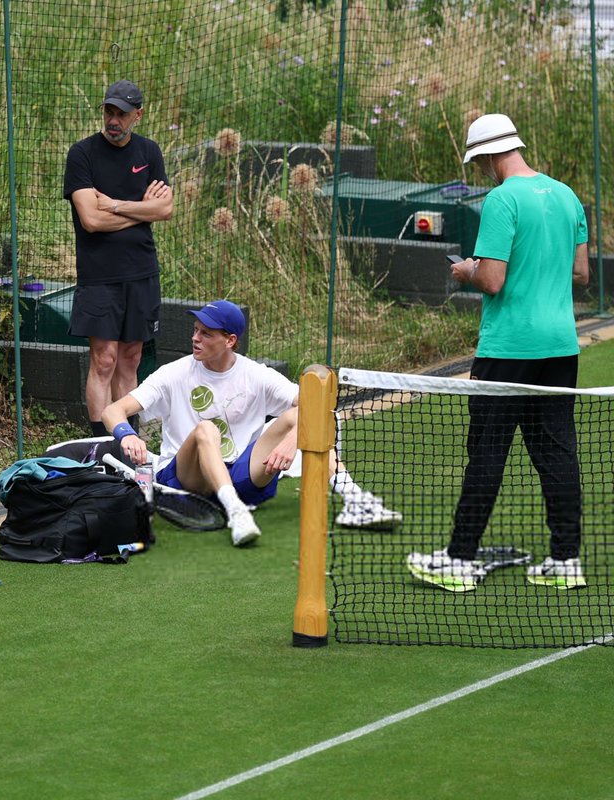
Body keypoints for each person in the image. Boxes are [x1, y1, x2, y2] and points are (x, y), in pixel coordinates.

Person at [406, 114, 590, 593]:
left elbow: (492, 280)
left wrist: (466, 270)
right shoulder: (567, 195)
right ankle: (566, 559)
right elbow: (581, 274)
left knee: (486, 452)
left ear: (487, 156)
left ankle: (460, 560)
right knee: (557, 451)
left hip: (508, 348)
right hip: (560, 347)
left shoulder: (501, 199)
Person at [102, 299, 401, 546]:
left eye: (206, 333)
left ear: (230, 340)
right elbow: (113, 410)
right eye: (195, 330)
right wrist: (127, 434)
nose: (195, 338)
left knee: (303, 415)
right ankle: (236, 513)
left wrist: (294, 438)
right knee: (206, 429)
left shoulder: (256, 375)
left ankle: (356, 499)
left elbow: (320, 405)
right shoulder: (173, 374)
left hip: (241, 475)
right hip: (185, 480)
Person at [64, 79, 174, 438]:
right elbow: (91, 220)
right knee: (104, 359)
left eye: (122, 114)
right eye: (109, 112)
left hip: (141, 273)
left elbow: (166, 209)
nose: (114, 120)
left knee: (130, 360)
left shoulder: (149, 152)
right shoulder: (82, 154)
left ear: (137, 116)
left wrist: (112, 203)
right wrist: (143, 209)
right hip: (99, 276)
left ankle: (126, 441)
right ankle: (101, 443)